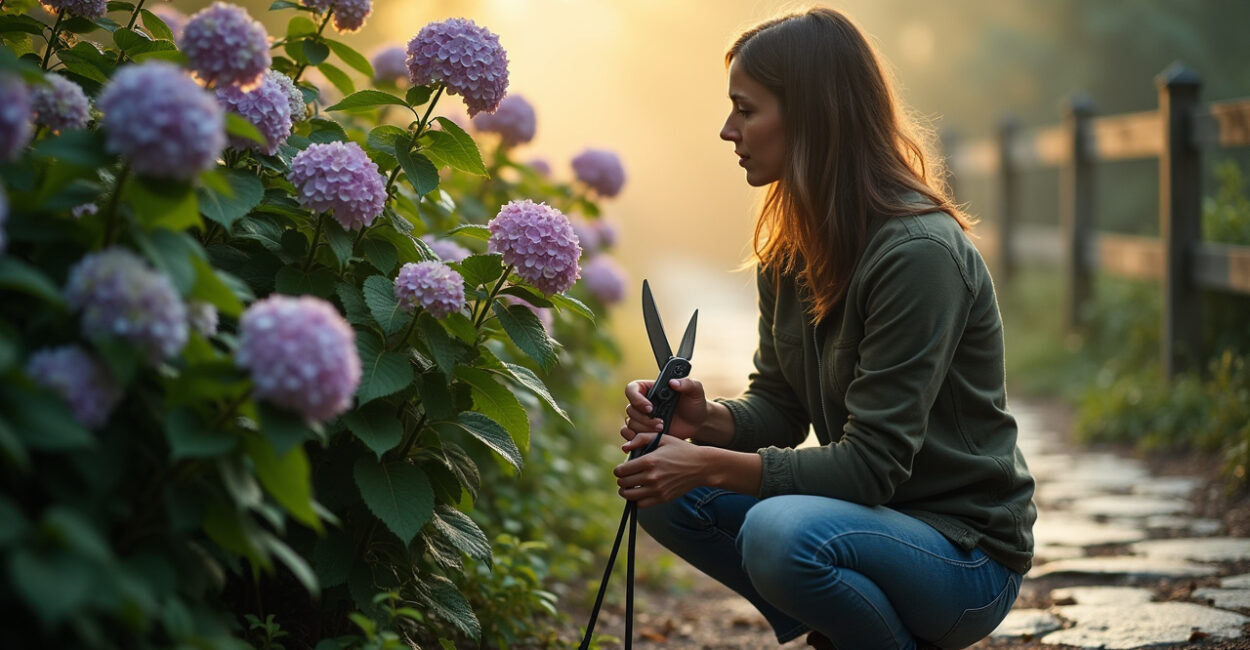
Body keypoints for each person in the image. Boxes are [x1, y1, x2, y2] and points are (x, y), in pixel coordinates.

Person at [613, 7, 1036, 649]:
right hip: (863, 525)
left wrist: (702, 464)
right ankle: (850, 625)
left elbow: (869, 469)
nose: (727, 130)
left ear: (811, 115)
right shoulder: (792, 246)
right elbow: (781, 406)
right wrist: (705, 421)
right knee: (662, 493)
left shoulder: (919, 254)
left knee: (778, 532)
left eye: (746, 109)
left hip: (963, 557)